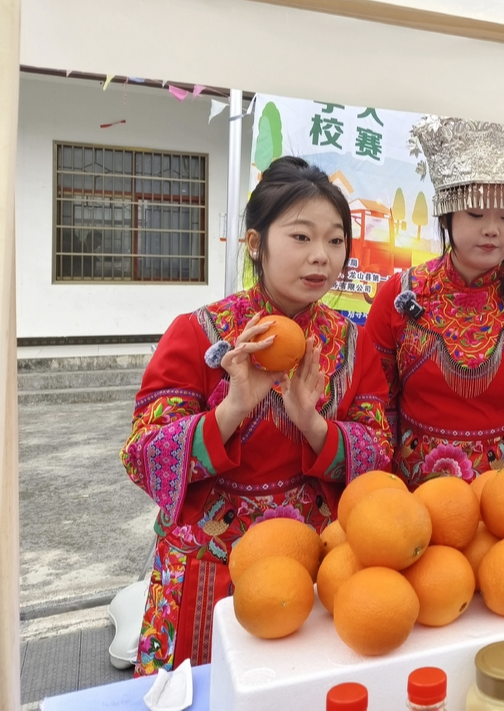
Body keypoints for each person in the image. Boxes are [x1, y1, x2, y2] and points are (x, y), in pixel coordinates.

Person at [120, 156, 393, 676]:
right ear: (254, 243)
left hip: (310, 562)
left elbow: (379, 455)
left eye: (336, 241)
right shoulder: (199, 333)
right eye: (301, 237)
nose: (321, 257)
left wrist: (312, 423)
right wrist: (232, 408)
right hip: (209, 571)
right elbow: (142, 457)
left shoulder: (353, 344)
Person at [365, 116, 504, 487]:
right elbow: (374, 404)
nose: (492, 229)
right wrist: (379, 490)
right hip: (411, 505)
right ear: (447, 212)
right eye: (475, 212)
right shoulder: (398, 295)